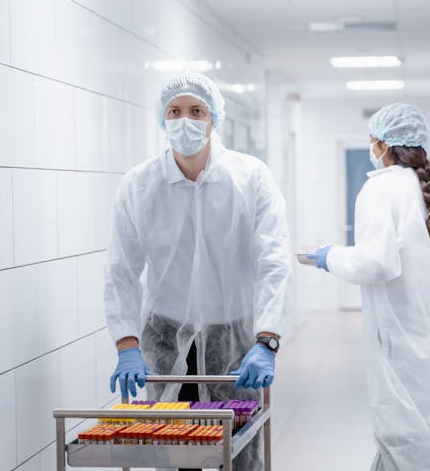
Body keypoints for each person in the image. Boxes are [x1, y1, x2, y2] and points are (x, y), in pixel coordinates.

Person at [104, 73, 291, 471]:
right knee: (174, 452)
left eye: (196, 111)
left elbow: (274, 261)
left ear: (214, 118)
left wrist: (267, 341)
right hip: (166, 343)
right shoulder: (139, 185)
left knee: (240, 452)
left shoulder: (250, 177)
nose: (185, 120)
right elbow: (121, 269)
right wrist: (127, 346)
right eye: (175, 111)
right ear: (161, 118)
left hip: (237, 347)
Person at [307, 103, 430, 471]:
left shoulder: (380, 190)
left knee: (404, 441)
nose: (372, 149)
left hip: (403, 343)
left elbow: (375, 262)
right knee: (421, 440)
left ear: (383, 145)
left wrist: (330, 256)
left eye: (372, 141)